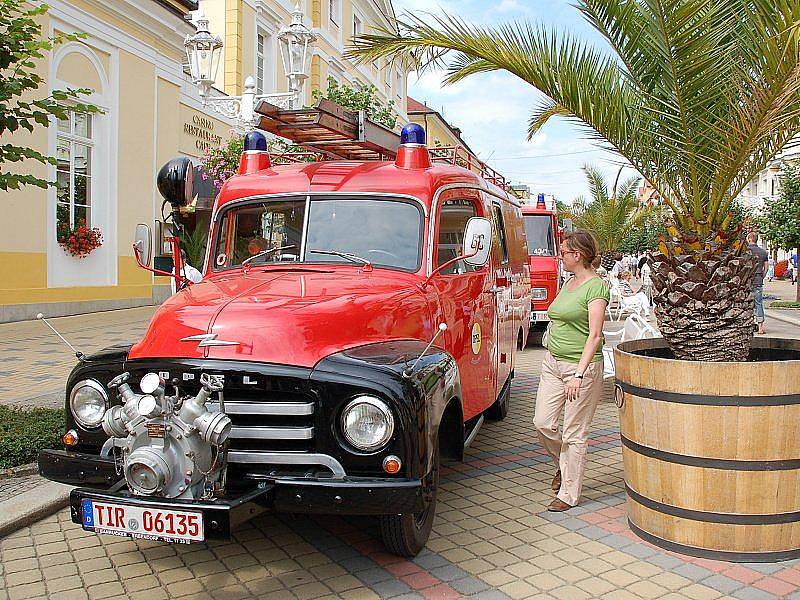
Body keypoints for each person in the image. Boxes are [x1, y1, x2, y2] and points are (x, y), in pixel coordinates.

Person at [533, 230, 609, 512]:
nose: (560, 256)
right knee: (542, 423)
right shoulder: (568, 283)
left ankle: (569, 494)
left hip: (581, 368)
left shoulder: (596, 288)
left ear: (577, 255)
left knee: (574, 433)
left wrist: (578, 374)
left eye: (563, 252)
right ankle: (564, 466)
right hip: (552, 363)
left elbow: (595, 335)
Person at [747, 232, 769, 335]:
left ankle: (748, 325)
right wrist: (762, 276)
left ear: (750, 239)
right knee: (759, 303)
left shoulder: (746, 251)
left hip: (746, 281)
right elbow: (766, 267)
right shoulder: (763, 252)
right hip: (758, 280)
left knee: (747, 304)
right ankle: (760, 328)